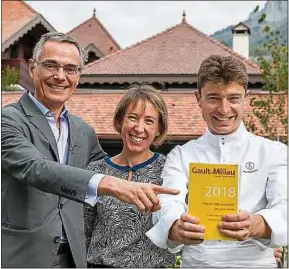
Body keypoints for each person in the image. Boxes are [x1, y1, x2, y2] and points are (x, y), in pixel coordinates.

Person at [1, 32, 179, 268]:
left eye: (70, 69)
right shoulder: (8, 120)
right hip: (24, 257)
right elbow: (35, 168)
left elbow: (109, 168)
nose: (60, 76)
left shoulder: (83, 131)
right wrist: (114, 184)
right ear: (33, 68)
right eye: (51, 65)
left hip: (75, 259)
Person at [146, 54, 287, 267]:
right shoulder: (181, 155)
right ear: (198, 98)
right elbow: (168, 204)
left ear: (245, 98)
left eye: (233, 98)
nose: (223, 109)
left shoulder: (274, 152)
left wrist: (257, 224)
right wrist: (178, 226)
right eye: (213, 97)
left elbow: (284, 205)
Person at [84, 83, 176, 268]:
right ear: (120, 121)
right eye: (132, 118)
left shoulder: (171, 169)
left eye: (149, 121)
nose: (139, 128)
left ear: (159, 128)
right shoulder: (95, 171)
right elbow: (84, 231)